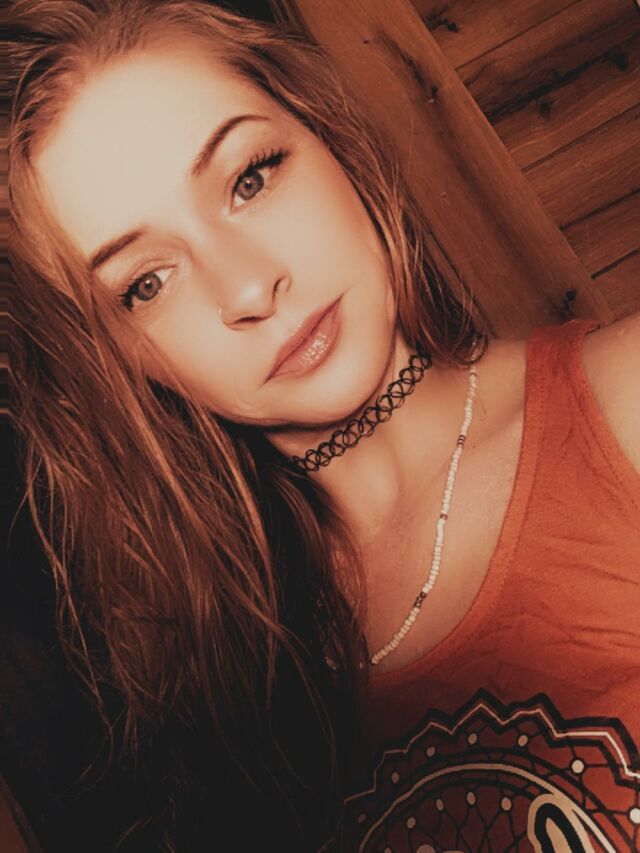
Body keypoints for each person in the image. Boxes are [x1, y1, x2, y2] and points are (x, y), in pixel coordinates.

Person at [6, 0, 639, 850]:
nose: (247, 287)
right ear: (115, 363)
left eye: (250, 178)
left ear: (330, 135)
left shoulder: (625, 405)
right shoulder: (219, 684)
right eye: (144, 284)